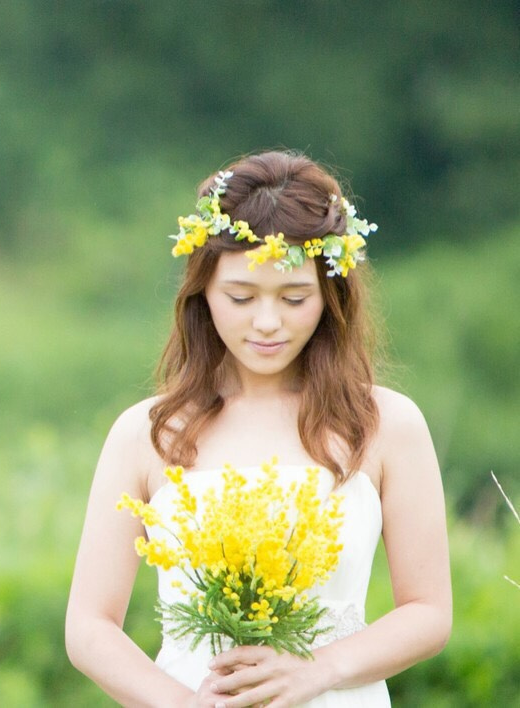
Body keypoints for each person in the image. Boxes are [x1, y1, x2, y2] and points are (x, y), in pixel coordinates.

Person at [65, 150, 452, 707]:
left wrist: (316, 671)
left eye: (294, 298)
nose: (267, 323)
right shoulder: (147, 433)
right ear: (202, 293)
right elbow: (90, 627)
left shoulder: (385, 424)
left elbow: (429, 611)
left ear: (330, 296)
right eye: (241, 298)